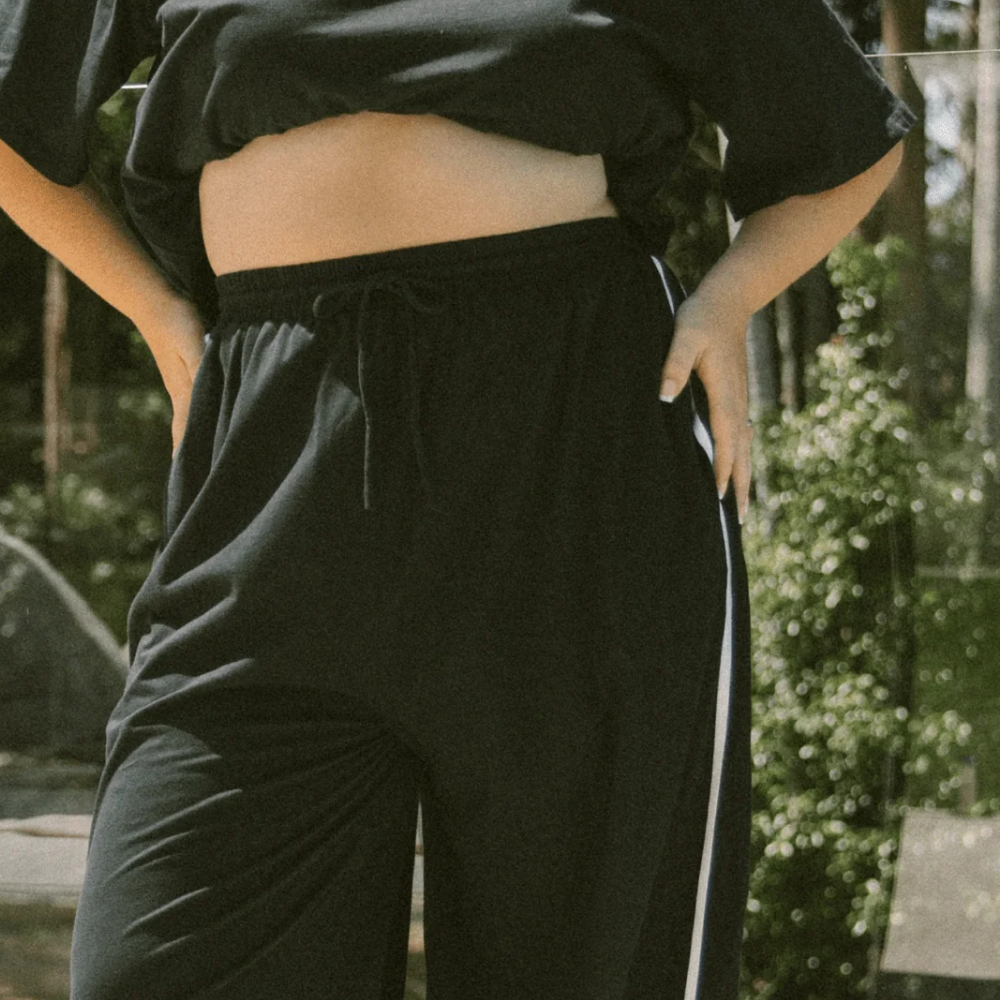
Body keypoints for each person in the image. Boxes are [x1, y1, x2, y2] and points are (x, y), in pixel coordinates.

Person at [0, 1, 917, 997]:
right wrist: (159, 314)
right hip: (275, 457)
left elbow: (847, 136)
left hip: (572, 458)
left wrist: (728, 298)